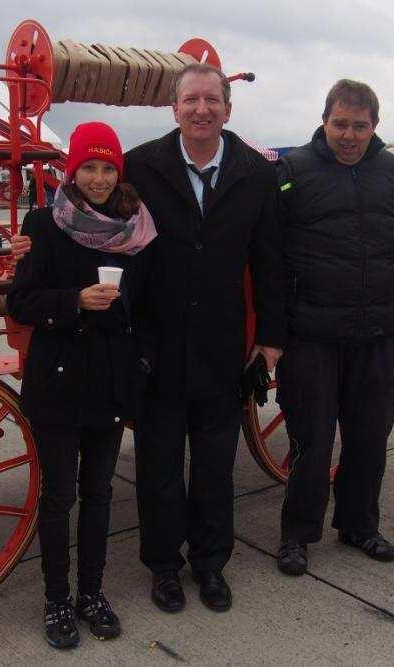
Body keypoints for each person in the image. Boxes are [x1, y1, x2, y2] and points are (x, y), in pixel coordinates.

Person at [124, 63, 285, 613]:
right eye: (190, 100)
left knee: (216, 464)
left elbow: (270, 263)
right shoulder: (139, 168)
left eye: (211, 100)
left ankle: (211, 564)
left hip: (222, 347)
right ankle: (164, 567)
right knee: (159, 467)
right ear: (174, 108)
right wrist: (34, 240)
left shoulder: (255, 174)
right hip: (158, 346)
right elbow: (94, 224)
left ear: (227, 109)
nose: (201, 110)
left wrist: (270, 336)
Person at [6, 121, 157, 649]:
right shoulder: (44, 225)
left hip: (111, 380)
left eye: (108, 167)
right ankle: (56, 600)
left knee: (99, 494)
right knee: (59, 496)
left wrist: (139, 359)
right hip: (61, 379)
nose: (98, 178)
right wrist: (75, 301)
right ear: (71, 172)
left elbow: (145, 306)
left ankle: (91, 594)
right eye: (88, 167)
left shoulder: (136, 227)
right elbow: (20, 302)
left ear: (120, 172)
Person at [274, 80, 394, 576]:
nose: (349, 135)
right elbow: (268, 254)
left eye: (360, 126)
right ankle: (297, 535)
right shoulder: (294, 171)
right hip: (312, 332)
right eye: (340, 124)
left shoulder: (392, 171)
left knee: (370, 437)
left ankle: (359, 525)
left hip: (379, 331)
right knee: (311, 442)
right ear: (324, 120)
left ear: (375, 126)